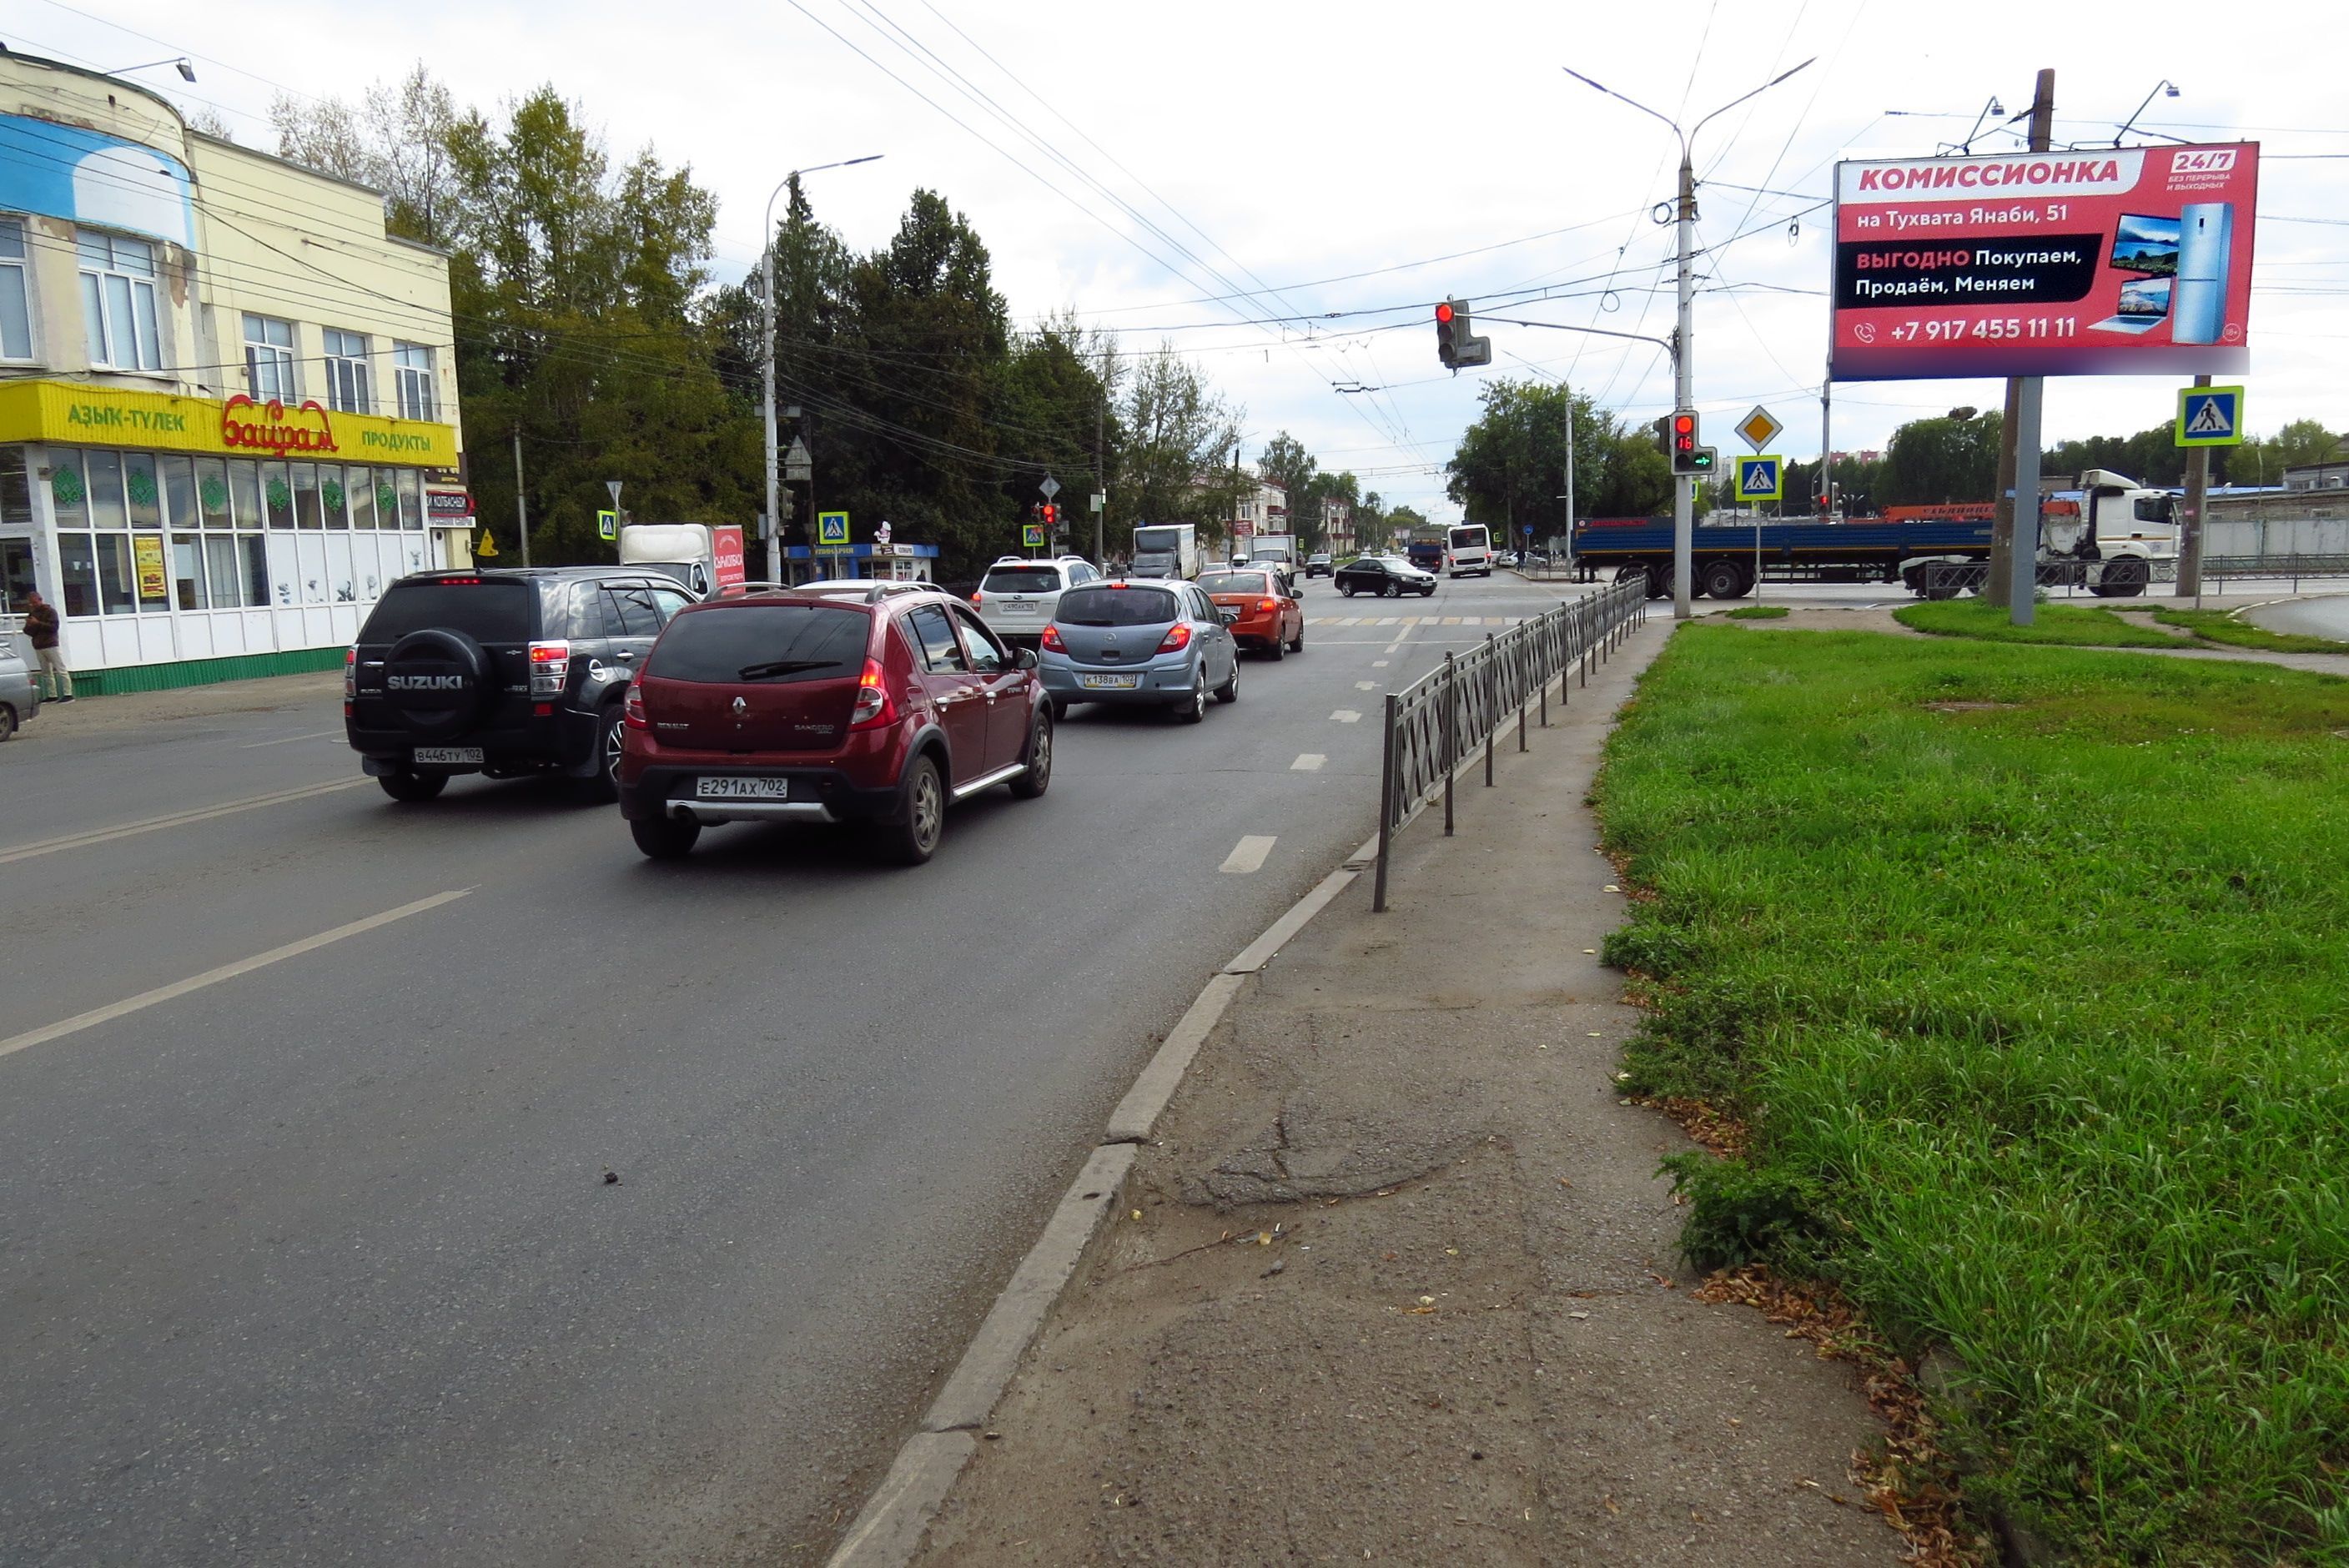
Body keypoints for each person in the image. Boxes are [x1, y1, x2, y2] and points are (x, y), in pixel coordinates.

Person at [21, 588, 70, 702]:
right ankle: (52, 695)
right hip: (39, 645)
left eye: (34, 602)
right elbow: (28, 631)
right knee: (46, 673)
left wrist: (37, 624)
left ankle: (68, 694)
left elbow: (53, 628)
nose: (33, 605)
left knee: (61, 669)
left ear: (40, 600)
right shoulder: (32, 613)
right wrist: (29, 625)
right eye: (31, 603)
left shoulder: (50, 612)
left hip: (51, 644)